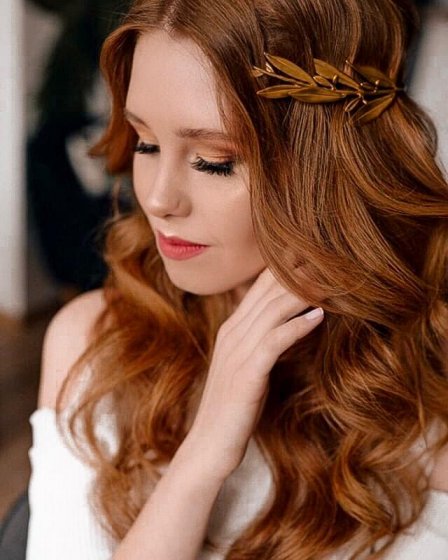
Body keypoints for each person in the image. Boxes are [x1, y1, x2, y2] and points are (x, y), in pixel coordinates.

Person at [25, 0, 448, 559]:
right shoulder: (93, 344)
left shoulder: (427, 379)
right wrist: (204, 454)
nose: (158, 199)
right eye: (146, 143)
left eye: (214, 160)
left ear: (329, 165)